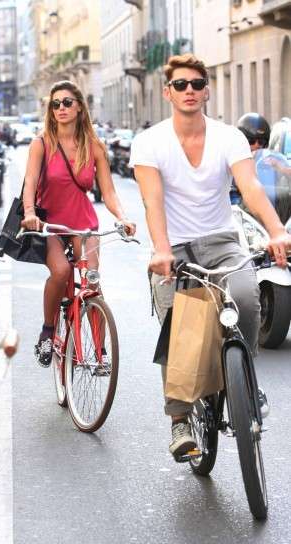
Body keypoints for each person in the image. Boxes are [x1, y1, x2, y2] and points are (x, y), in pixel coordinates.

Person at [129, 54, 291, 459]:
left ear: (207, 90)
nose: (189, 91)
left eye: (197, 84)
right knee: (178, 328)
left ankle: (245, 383)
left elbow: (250, 188)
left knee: (247, 295)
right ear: (168, 92)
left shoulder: (228, 137)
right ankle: (180, 419)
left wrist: (276, 231)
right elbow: (152, 201)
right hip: (175, 248)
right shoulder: (150, 142)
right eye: (180, 84)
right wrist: (161, 249)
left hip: (221, 241)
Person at [22, 80, 136, 367]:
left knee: (92, 281)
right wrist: (29, 212)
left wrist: (122, 217)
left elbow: (108, 191)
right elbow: (30, 183)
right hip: (48, 223)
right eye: (55, 104)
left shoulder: (94, 146)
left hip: (82, 222)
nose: (61, 108)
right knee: (60, 272)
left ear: (79, 108)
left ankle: (100, 351)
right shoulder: (41, 144)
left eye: (67, 103)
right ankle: (48, 332)